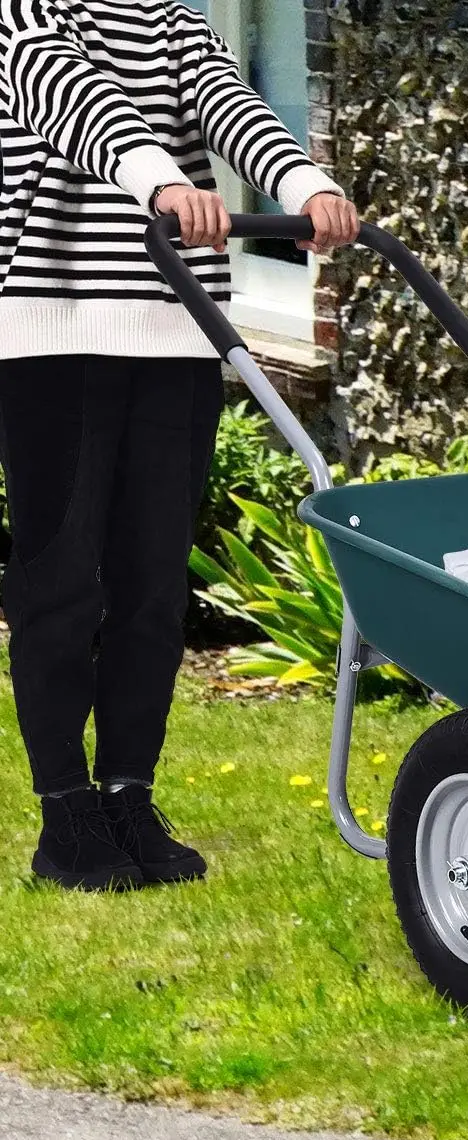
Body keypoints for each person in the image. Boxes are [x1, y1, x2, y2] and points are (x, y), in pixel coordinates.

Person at [0, 0, 360, 891]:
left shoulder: (173, 19)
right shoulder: (26, 11)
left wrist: (304, 186)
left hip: (177, 334)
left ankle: (128, 793)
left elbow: (224, 98)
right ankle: (65, 815)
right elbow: (69, 95)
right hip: (55, 336)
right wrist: (159, 181)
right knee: (59, 586)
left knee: (152, 587)